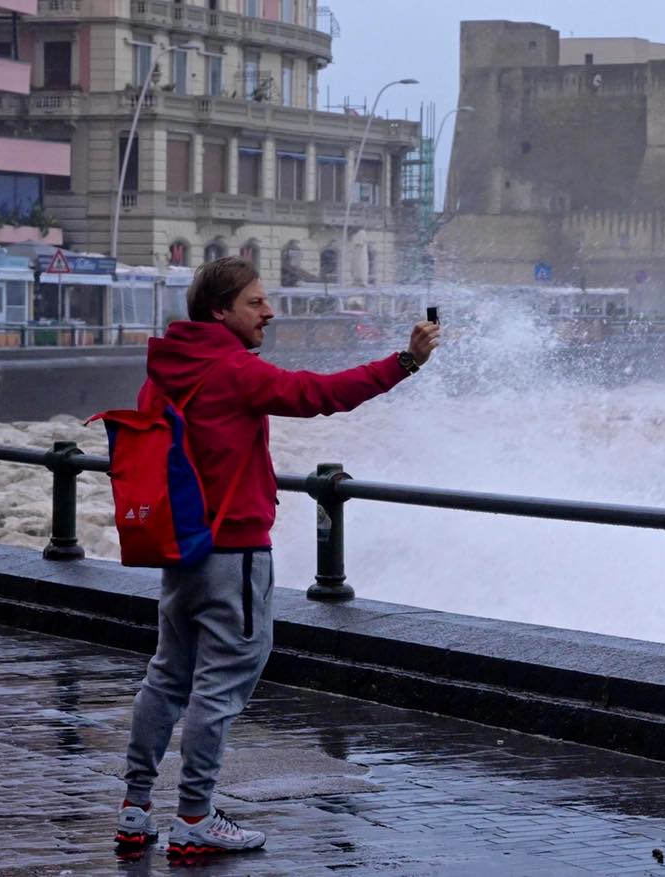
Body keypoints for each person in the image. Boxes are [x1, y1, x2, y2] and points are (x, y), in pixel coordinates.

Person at [113, 256, 438, 859]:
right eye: (256, 302)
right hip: (233, 553)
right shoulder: (234, 371)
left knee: (165, 678)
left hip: (180, 548)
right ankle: (194, 817)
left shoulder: (163, 373)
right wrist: (406, 361)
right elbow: (320, 394)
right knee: (221, 685)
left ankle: (135, 811)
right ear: (221, 311)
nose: (270, 312)